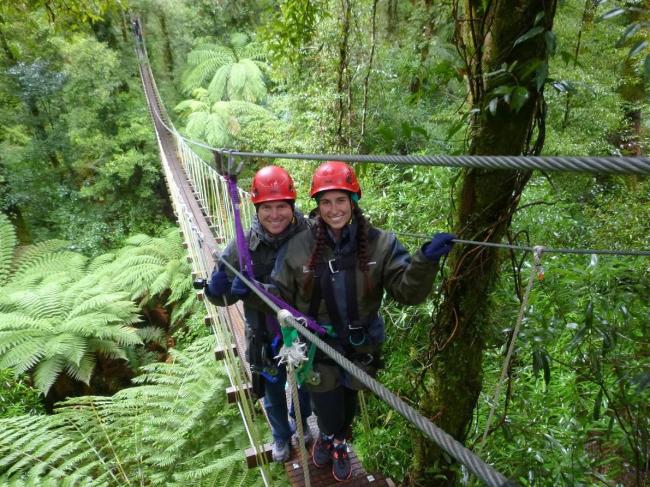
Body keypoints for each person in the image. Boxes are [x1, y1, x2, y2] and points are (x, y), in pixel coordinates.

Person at [272, 161, 454, 482]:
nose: (333, 209)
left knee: (349, 398)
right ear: (317, 206)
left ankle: (339, 441)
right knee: (327, 407)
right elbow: (278, 291)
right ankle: (330, 436)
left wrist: (425, 260)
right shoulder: (300, 247)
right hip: (317, 346)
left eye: (341, 200)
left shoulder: (380, 245)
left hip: (360, 345)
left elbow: (406, 291)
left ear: (354, 200)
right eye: (325, 202)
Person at [204, 165, 312, 463]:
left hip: (302, 327)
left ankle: (302, 423)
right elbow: (220, 296)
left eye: (281, 206)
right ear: (257, 207)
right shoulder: (243, 244)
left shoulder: (310, 236)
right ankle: (281, 434)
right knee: (272, 387)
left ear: (291, 206)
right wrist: (217, 289)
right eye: (267, 208)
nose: (274, 215)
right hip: (264, 332)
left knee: (305, 384)